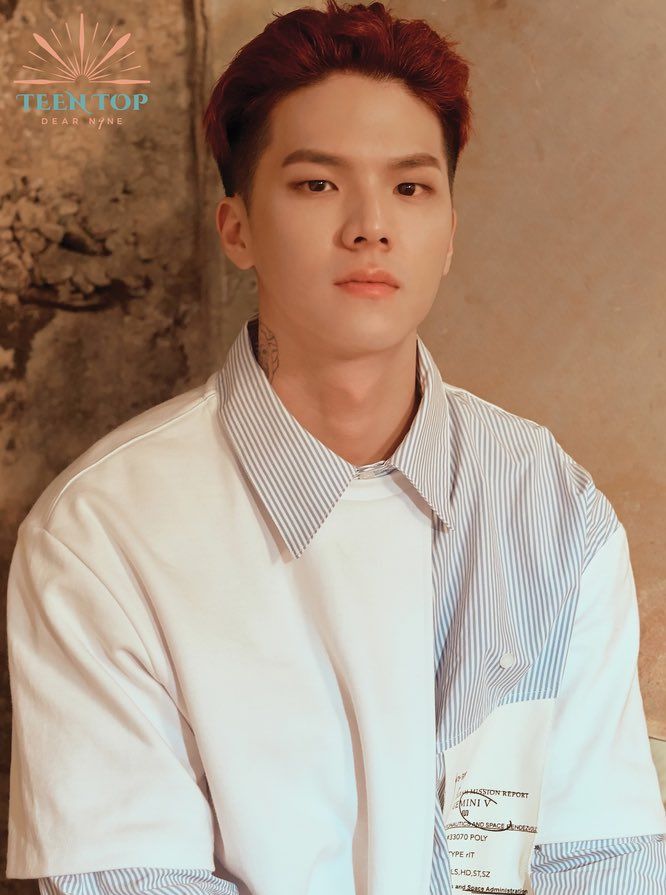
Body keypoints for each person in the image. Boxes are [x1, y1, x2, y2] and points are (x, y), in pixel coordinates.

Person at [5, 1, 665, 894]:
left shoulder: (554, 507)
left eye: (411, 188)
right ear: (237, 228)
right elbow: (128, 879)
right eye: (317, 184)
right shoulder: (103, 536)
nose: (370, 226)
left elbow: (605, 857)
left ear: (449, 235)